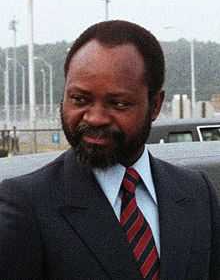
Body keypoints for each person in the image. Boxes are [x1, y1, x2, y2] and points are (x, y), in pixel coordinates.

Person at [0, 20, 219, 280]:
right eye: (80, 99)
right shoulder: (25, 206)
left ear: (156, 105)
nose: (95, 118)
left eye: (118, 103)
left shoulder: (197, 193)